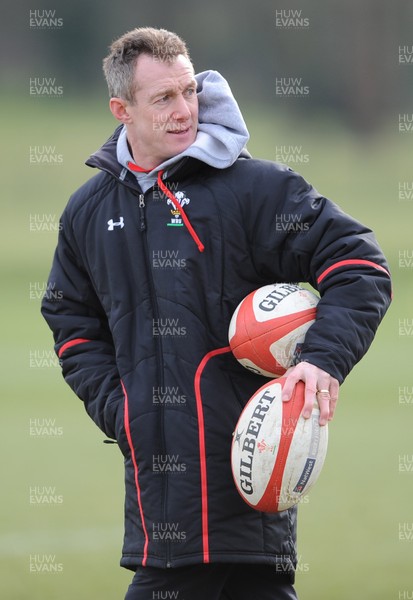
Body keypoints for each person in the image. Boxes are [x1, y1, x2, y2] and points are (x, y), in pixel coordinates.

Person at [41, 27, 392, 599]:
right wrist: (121, 410)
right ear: (120, 109)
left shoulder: (255, 190)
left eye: (188, 91)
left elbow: (361, 267)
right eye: (163, 99)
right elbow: (70, 322)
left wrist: (321, 360)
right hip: (158, 518)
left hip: (251, 501)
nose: (184, 111)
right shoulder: (88, 211)